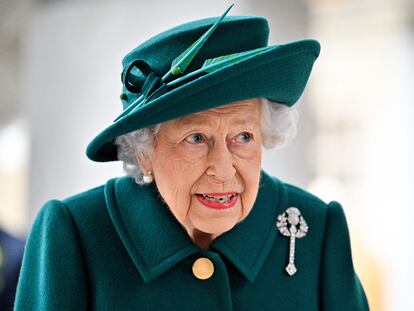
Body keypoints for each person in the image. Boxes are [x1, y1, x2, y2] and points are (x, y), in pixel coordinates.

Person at [14, 5, 369, 310]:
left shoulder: (316, 228)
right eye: (196, 138)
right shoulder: (76, 233)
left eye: (243, 136)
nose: (224, 169)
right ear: (144, 151)